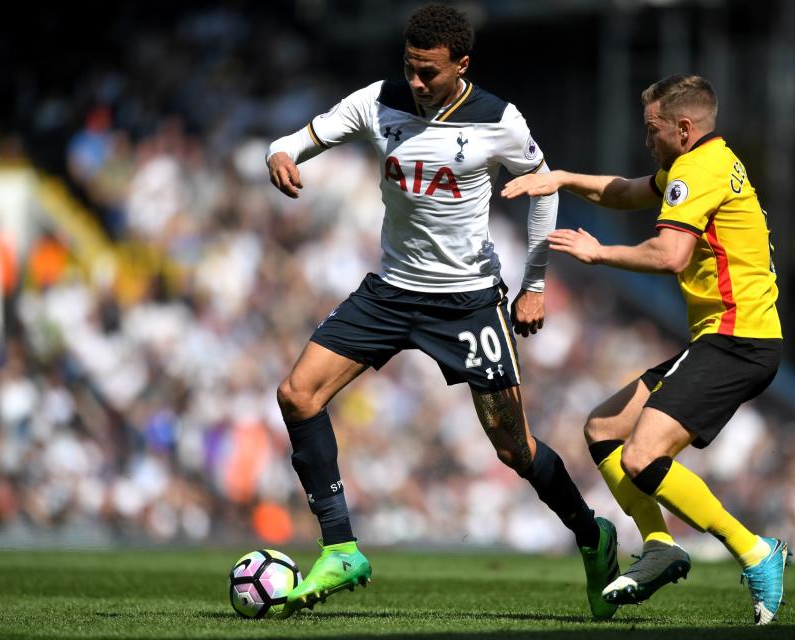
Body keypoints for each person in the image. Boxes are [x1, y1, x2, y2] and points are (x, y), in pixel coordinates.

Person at [265, 3, 620, 620]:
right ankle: (341, 547)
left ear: (462, 65)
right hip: (392, 292)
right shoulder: (379, 101)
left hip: (468, 303)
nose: (418, 82)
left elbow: (543, 192)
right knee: (298, 395)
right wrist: (282, 153)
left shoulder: (499, 120)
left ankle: (593, 537)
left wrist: (533, 284)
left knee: (513, 449)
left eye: (430, 71)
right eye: (411, 68)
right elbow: (300, 136)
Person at [502, 74, 788, 625]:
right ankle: (660, 545)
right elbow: (628, 190)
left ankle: (755, 551)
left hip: (738, 338)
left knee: (640, 455)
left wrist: (598, 253)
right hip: (731, 335)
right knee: (603, 429)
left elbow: (670, 255)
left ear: (683, 128)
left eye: (652, 130)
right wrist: (558, 178)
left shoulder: (698, 169)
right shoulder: (703, 160)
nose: (646, 140)